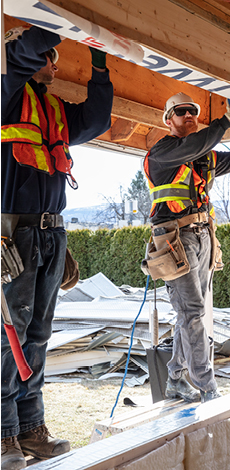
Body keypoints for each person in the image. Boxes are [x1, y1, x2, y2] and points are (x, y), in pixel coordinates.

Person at [1, 26, 113, 469]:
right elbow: (20, 54)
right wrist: (69, 23)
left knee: (39, 336)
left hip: (50, 232)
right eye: (49, 56)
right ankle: (5, 434)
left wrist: (100, 60)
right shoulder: (7, 91)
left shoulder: (56, 111)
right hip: (12, 233)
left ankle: (31, 428)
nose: (54, 63)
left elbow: (99, 118)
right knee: (8, 337)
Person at [143, 92, 230, 404]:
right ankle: (207, 386)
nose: (189, 115)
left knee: (190, 313)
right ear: (169, 120)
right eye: (181, 112)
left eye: (193, 111)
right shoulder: (162, 152)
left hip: (202, 233)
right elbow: (194, 145)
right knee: (192, 311)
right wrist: (226, 121)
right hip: (173, 240)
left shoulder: (203, 156)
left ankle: (177, 378)